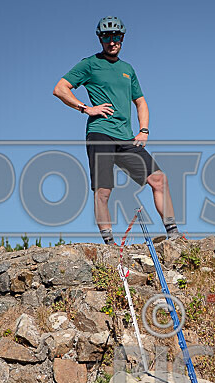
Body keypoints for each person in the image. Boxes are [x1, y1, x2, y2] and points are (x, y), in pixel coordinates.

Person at [53, 16, 181, 244]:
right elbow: (60, 88)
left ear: (122, 38)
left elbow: (140, 102)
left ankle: (173, 233)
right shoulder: (90, 64)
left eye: (116, 37)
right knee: (103, 191)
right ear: (101, 40)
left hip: (127, 138)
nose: (112, 42)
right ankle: (109, 243)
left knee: (159, 179)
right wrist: (85, 108)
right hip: (100, 133)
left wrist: (144, 131)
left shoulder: (127, 69)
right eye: (107, 38)